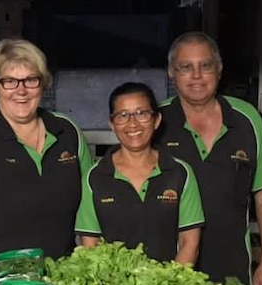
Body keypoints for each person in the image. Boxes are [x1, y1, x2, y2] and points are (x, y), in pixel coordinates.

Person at [0, 39, 93, 258]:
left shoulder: (67, 131)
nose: (21, 91)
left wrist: (88, 269)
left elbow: (91, 206)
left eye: (31, 80)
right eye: (10, 81)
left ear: (44, 84)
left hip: (62, 277)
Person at [157, 32, 262, 285]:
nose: (196, 75)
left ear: (219, 69)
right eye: (185, 67)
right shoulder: (156, 122)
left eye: (205, 66)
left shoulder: (247, 119)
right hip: (171, 274)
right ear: (171, 72)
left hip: (234, 271)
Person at [75, 82, 204, 264]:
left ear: (156, 120)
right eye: (123, 115)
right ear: (112, 124)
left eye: (141, 113)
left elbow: (189, 244)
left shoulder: (179, 173)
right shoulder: (94, 177)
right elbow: (90, 248)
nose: (133, 123)